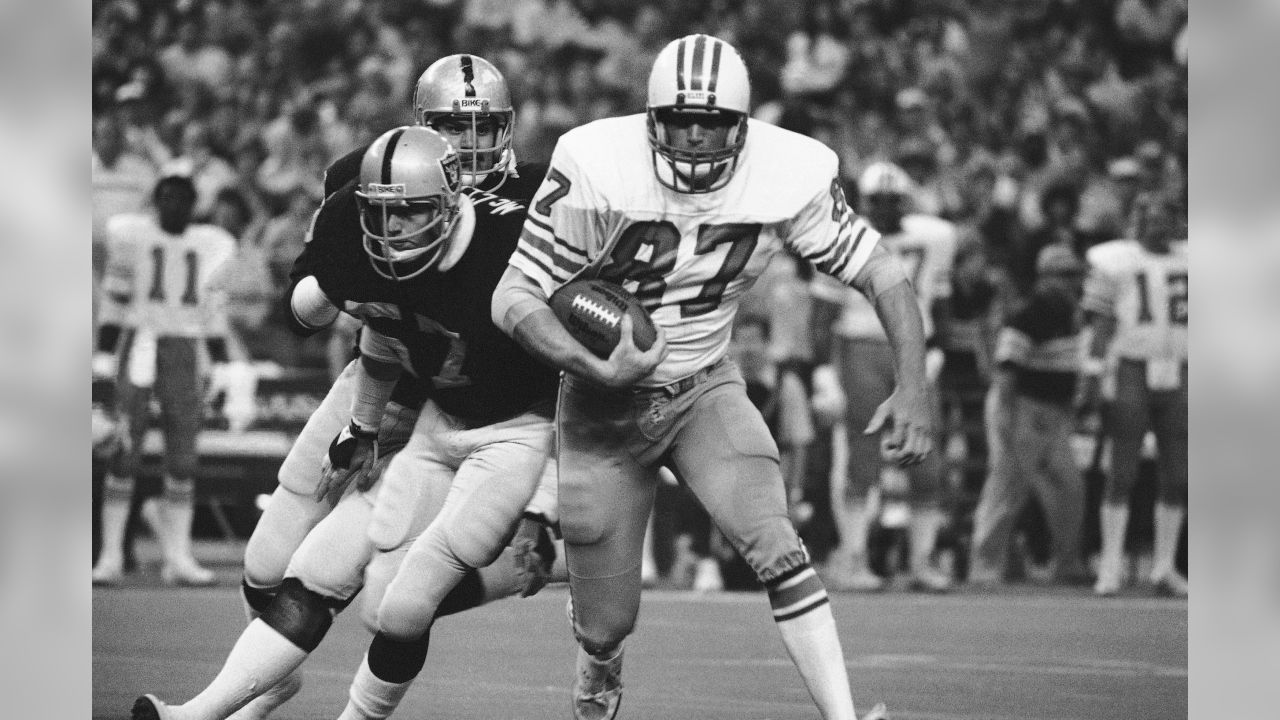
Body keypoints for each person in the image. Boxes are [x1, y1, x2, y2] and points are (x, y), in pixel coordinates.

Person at [493, 34, 931, 720]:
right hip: (600, 405)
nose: (695, 137)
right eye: (680, 119)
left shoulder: (788, 170)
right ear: (650, 118)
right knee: (607, 623)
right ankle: (600, 666)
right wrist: (588, 362)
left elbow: (883, 274)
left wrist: (914, 384)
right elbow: (515, 295)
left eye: (714, 122)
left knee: (777, 544)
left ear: (743, 124)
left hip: (703, 385)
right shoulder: (597, 162)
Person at [132, 126, 561, 720]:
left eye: (478, 128)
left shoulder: (519, 236)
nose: (389, 231)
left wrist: (544, 499)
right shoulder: (360, 212)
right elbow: (372, 332)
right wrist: (363, 427)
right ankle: (215, 706)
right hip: (404, 407)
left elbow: (567, 383)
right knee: (285, 571)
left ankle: (542, 561)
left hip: (491, 425)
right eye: (379, 215)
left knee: (393, 602)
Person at [92, 168, 240, 587]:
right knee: (123, 449)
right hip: (140, 342)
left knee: (184, 455)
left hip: (185, 348)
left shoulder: (208, 245)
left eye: (183, 199)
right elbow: (116, 305)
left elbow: (212, 316)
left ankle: (178, 556)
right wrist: (102, 360)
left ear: (193, 206)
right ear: (155, 202)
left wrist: (224, 364)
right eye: (168, 198)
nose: (175, 206)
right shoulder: (132, 238)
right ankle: (110, 556)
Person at [823, 161, 957, 594]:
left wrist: (937, 350)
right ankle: (855, 554)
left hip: (913, 349)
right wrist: (823, 369)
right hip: (861, 345)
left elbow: (941, 302)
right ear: (863, 201)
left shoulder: (934, 238)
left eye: (891, 201)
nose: (883, 209)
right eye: (876, 201)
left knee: (923, 456)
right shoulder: (841, 232)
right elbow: (822, 310)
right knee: (862, 456)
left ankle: (921, 558)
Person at [1078, 190, 1188, 597]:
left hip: (1183, 368)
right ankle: (1110, 565)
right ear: (1138, 220)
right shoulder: (1115, 260)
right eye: (1154, 216)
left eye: (1170, 215)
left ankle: (1164, 565)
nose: (1162, 224)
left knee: (1179, 473)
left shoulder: (1195, 257)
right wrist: (1091, 374)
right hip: (1131, 367)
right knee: (1121, 470)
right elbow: (1101, 322)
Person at [968, 244, 1089, 586]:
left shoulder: (1070, 313)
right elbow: (1006, 371)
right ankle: (985, 566)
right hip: (1024, 406)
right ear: (1045, 277)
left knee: (1069, 487)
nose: (1072, 281)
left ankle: (1067, 563)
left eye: (1076, 274)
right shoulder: (1029, 313)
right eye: (1064, 275)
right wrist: (1007, 421)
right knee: (1008, 486)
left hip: (1054, 412)